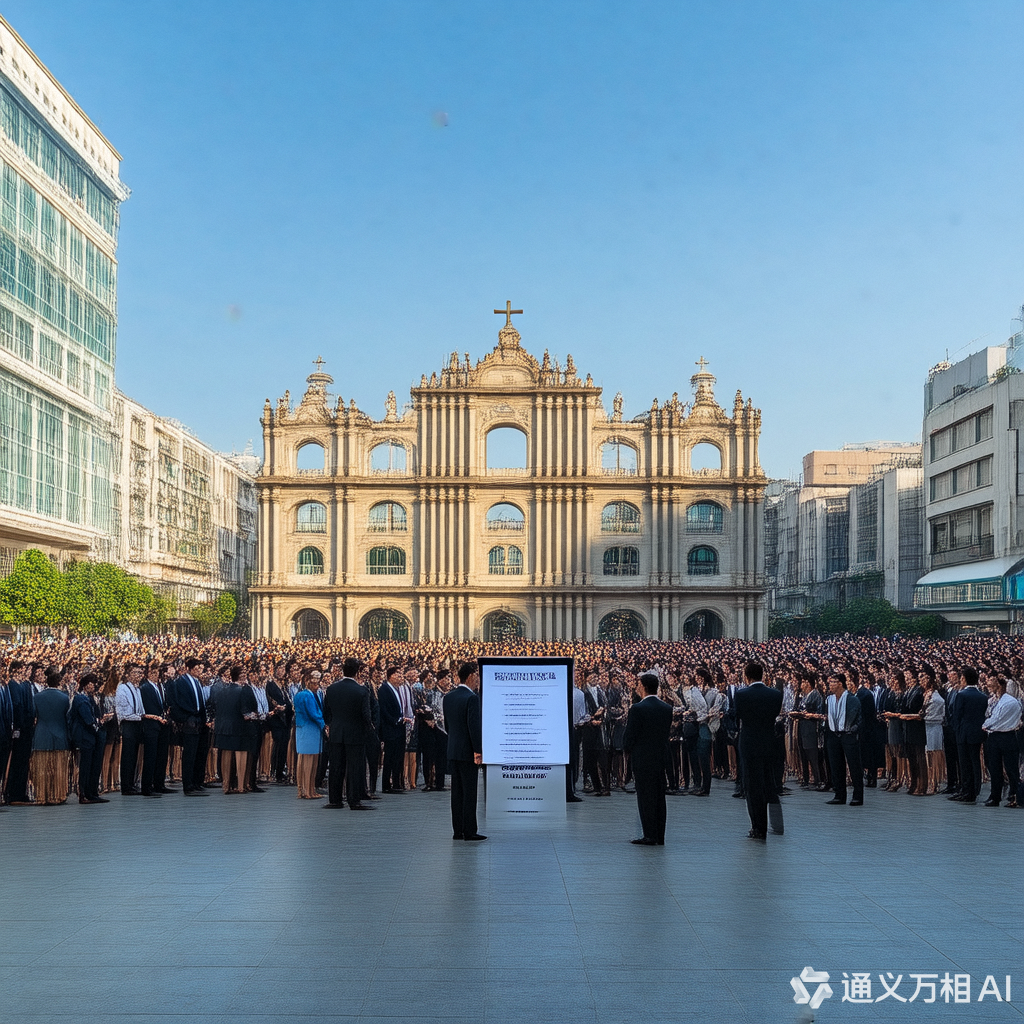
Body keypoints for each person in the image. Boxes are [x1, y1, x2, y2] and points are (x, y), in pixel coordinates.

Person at [734, 661, 784, 841]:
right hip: (768, 742)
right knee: (766, 781)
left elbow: (737, 716)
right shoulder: (775, 694)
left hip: (748, 743)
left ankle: (757, 826)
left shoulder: (741, 694)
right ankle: (768, 824)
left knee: (751, 785)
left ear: (746, 676)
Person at [622, 672, 672, 845]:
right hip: (660, 758)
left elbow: (630, 737)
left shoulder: (637, 709)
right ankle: (660, 835)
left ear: (643, 686)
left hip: (642, 759)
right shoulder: (667, 708)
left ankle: (649, 834)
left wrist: (627, 748)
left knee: (645, 797)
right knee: (659, 797)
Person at [321, 657, 375, 810]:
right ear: (357, 672)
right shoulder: (362, 690)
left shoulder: (331, 689)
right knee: (354, 767)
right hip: (355, 733)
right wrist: (368, 730)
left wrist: (332, 725)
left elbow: (326, 712)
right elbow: (366, 715)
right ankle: (354, 799)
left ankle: (335, 800)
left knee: (336, 767)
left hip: (337, 732)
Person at [443, 661, 484, 841]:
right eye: (476, 676)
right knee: (469, 792)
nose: (478, 681)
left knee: (456, 793)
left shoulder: (448, 697)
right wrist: (478, 750)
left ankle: (457, 830)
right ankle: (470, 830)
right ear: (470, 676)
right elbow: (473, 727)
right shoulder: (471, 698)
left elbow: (447, 725)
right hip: (468, 752)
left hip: (453, 749)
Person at [168, 659, 210, 797]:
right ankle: (188, 785)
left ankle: (197, 782)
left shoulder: (197, 682)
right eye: (196, 668)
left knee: (199, 753)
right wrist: (187, 716)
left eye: (200, 668)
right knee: (189, 754)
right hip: (189, 720)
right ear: (189, 668)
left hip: (199, 721)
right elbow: (179, 702)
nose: (199, 670)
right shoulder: (181, 682)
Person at [30, 671, 71, 805]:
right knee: (58, 768)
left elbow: (33, 715)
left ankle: (42, 795)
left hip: (41, 735)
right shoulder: (64, 697)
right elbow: (67, 717)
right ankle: (58, 795)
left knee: (42, 769)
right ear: (59, 683)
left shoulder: (37, 697)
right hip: (60, 735)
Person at [824, 671, 863, 807]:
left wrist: (853, 730)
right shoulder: (829, 699)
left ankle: (858, 795)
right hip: (833, 735)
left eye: (832, 682)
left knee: (854, 765)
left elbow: (858, 719)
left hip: (848, 735)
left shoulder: (852, 699)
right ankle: (839, 794)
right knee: (836, 766)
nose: (830, 685)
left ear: (840, 683)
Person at [981, 676, 1022, 807]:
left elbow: (996, 719)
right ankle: (995, 796)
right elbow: (988, 715)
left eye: (991, 681)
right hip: (993, 736)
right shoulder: (992, 700)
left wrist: (986, 725)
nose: (988, 684)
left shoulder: (1010, 702)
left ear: (999, 684)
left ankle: (1015, 796)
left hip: (1007, 735)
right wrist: (987, 724)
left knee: (1011, 768)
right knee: (994, 768)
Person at [950, 666, 988, 804]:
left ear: (964, 679)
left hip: (963, 733)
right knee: (975, 762)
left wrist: (957, 730)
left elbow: (957, 715)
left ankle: (966, 790)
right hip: (977, 733)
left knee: (965, 764)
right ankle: (974, 791)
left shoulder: (961, 695)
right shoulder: (983, 696)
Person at [70, 673, 108, 804]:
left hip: (92, 736)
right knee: (86, 765)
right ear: (86, 685)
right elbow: (88, 719)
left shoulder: (91, 698)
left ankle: (92, 791)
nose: (94, 687)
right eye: (92, 684)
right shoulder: (81, 699)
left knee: (94, 764)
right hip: (85, 736)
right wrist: (98, 721)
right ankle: (84, 793)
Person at [293, 669, 325, 799]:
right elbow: (313, 713)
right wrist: (324, 725)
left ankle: (308, 789)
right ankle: (307, 790)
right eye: (314, 683)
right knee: (309, 761)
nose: (317, 686)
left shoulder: (308, 694)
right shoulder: (306, 695)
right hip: (309, 729)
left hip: (307, 729)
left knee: (311, 761)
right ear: (307, 681)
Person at [378, 666, 409, 793]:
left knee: (398, 757)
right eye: (398, 674)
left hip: (400, 726)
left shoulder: (398, 689)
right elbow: (384, 710)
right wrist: (395, 720)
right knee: (390, 757)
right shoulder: (384, 689)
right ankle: (386, 784)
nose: (400, 677)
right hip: (391, 728)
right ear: (390, 676)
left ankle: (397, 783)